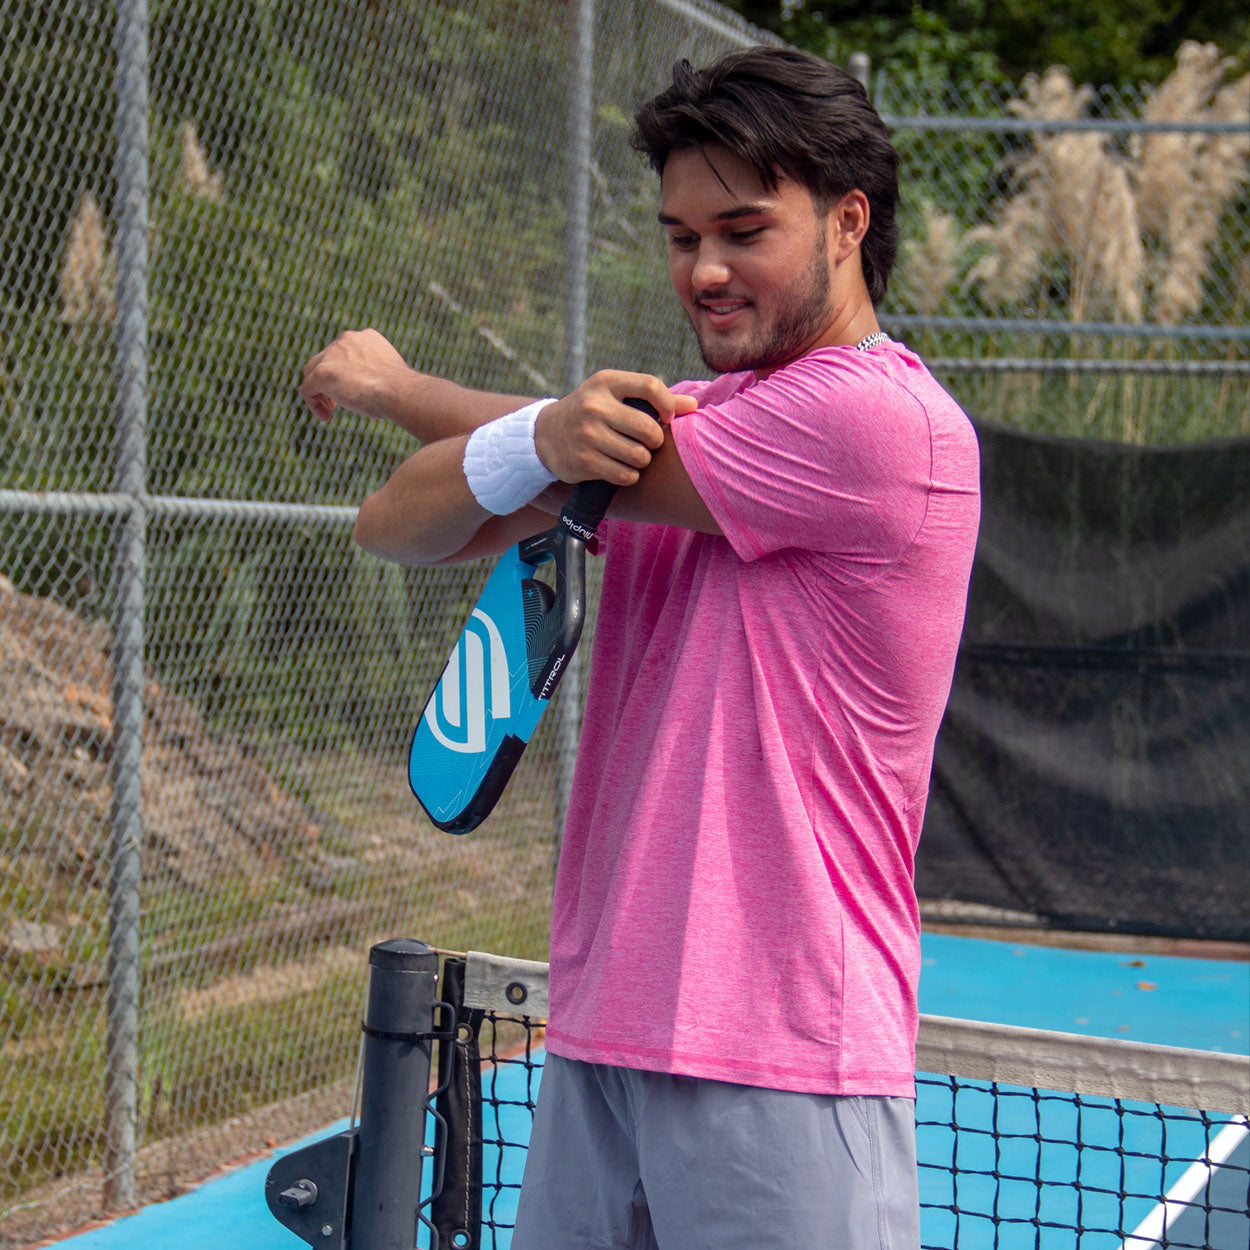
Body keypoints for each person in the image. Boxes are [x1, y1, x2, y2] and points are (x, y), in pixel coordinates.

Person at [301, 46, 980, 1250]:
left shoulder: (881, 420)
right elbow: (397, 525)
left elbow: (543, 456)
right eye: (678, 236)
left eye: (741, 229)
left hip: (777, 1059)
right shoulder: (692, 418)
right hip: (603, 1027)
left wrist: (397, 381)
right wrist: (542, 432)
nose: (704, 269)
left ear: (846, 222)